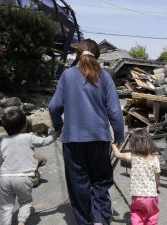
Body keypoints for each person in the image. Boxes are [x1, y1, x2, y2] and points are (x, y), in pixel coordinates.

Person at [49, 39, 124, 225]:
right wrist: (119, 137)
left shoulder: (67, 75)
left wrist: (58, 125)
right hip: (99, 139)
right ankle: (101, 218)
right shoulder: (105, 76)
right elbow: (115, 111)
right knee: (100, 182)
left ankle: (88, 221)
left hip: (72, 140)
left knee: (79, 185)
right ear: (98, 56)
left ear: (77, 54)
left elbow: (54, 106)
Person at [0, 109, 58, 225]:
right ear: (24, 126)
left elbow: (1, 161)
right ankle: (21, 223)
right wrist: (57, 135)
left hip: (4, 177)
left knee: (5, 206)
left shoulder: (3, 142)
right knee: (25, 202)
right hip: (23, 177)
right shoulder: (28, 137)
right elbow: (45, 141)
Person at [111, 128, 161, 225]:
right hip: (151, 196)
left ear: (134, 144)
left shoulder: (133, 156)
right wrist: (156, 187)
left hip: (137, 196)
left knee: (137, 214)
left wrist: (113, 144)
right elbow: (157, 177)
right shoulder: (155, 158)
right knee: (152, 216)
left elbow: (117, 154)